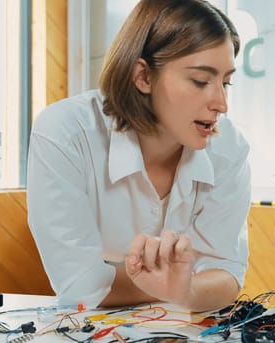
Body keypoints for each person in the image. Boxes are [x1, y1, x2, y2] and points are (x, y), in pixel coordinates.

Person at [27, 0, 251, 312]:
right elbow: (79, 284)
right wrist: (180, 288)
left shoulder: (230, 149)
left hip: (176, 328)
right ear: (143, 77)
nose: (221, 103)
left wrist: (183, 291)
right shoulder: (64, 133)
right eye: (201, 81)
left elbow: (226, 274)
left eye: (226, 82)